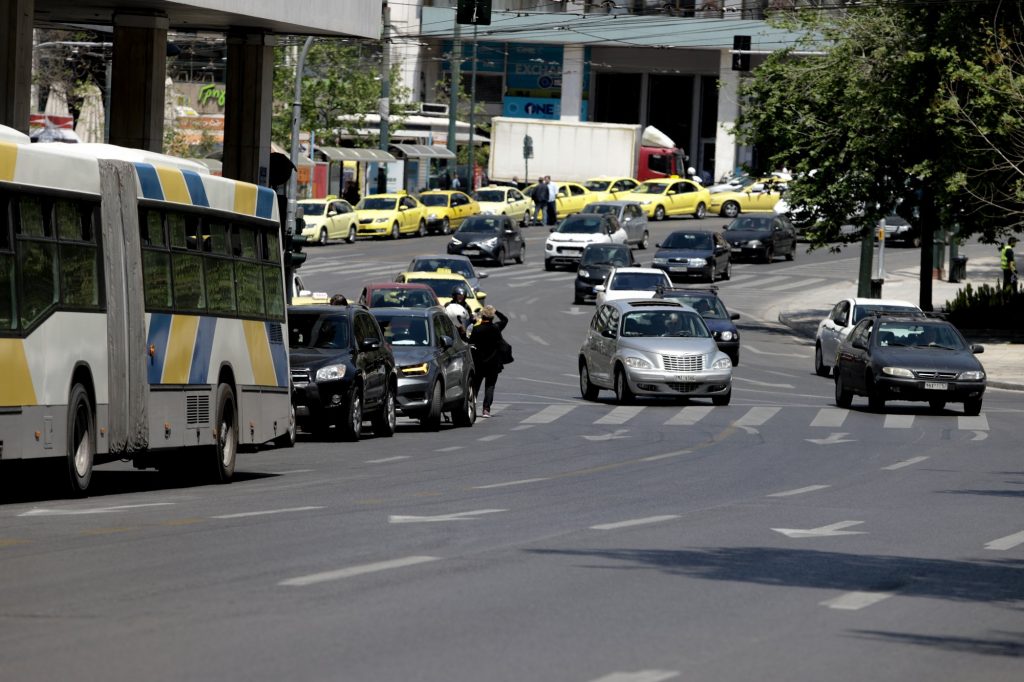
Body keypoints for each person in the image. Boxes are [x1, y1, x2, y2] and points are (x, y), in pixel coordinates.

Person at [470, 305, 509, 418]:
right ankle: (486, 409)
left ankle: (471, 406)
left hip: (479, 363)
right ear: (492, 317)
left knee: (475, 385)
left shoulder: (476, 329)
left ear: (482, 316)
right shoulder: (496, 328)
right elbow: (505, 319)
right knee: (490, 386)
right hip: (493, 363)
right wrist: (495, 311)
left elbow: (471, 344)